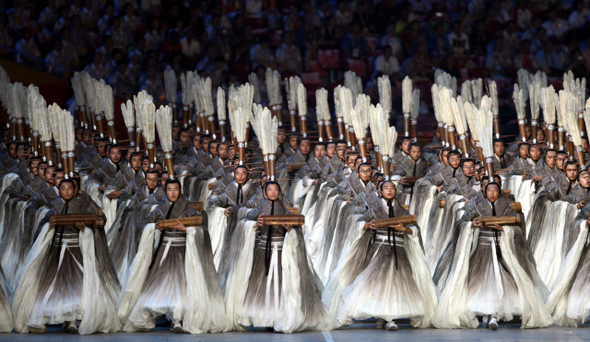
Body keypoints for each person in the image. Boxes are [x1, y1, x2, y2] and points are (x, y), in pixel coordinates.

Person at [434, 182, 552, 330]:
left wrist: (503, 229)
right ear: (484, 192)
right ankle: (488, 315)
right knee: (481, 284)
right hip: (482, 250)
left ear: (499, 191)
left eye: (495, 190)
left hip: (503, 250)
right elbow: (461, 222)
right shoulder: (476, 205)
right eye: (489, 190)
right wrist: (471, 226)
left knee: (504, 283)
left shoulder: (507, 205)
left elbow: (518, 225)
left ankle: (495, 316)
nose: (492, 193)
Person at [323, 180, 437, 331]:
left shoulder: (402, 211)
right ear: (380, 191)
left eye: (392, 188)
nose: (389, 191)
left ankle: (389, 318)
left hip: (399, 252)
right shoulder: (374, 210)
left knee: (395, 286)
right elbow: (359, 223)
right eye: (386, 188)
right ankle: (379, 317)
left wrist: (404, 229)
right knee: (369, 286)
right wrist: (367, 226)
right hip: (378, 251)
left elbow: (413, 228)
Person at [12, 179, 121, 335]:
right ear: (59, 190)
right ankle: (63, 319)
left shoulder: (84, 205)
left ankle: (73, 320)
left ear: (75, 189)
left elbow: (99, 220)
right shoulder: (54, 206)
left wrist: (85, 230)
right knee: (54, 287)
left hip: (76, 250)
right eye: (63, 188)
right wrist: (49, 226)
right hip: (56, 252)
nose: (67, 191)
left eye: (70, 188)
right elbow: (41, 226)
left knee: (77, 285)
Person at [119, 179, 225, 334]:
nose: (173, 193)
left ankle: (177, 320)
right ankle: (166, 319)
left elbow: (201, 226)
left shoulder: (188, 209)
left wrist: (186, 230)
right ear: (166, 191)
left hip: (182, 252)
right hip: (164, 252)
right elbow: (141, 225)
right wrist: (152, 227)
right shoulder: (159, 209)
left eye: (176, 189)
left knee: (182, 286)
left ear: (180, 191)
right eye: (170, 190)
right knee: (159, 288)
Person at [222, 181, 330, 333]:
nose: (273, 192)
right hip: (262, 252)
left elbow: (298, 229)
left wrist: (291, 230)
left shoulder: (286, 212)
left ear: (279, 192)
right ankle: (264, 317)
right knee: (261, 284)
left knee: (282, 284)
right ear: (264, 193)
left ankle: (280, 316)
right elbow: (243, 222)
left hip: (281, 252)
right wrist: (254, 225)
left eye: (276, 189)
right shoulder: (259, 211)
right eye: (269, 190)